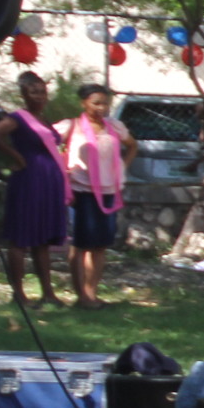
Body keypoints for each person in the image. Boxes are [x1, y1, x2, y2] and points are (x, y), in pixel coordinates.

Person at [0, 71, 68, 307]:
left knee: (42, 239)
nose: (40, 96)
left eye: (42, 91)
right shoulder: (19, 118)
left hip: (48, 183)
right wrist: (17, 157)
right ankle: (19, 294)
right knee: (21, 238)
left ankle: (48, 293)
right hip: (29, 180)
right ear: (23, 94)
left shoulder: (43, 119)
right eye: (34, 92)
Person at [59, 84, 134, 308]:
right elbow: (47, 141)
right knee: (82, 244)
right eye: (96, 103)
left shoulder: (115, 127)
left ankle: (92, 292)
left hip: (109, 192)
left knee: (100, 245)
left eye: (105, 103)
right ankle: (80, 293)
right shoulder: (72, 126)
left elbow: (132, 146)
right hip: (83, 192)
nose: (101, 108)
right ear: (84, 103)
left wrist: (122, 167)